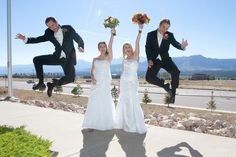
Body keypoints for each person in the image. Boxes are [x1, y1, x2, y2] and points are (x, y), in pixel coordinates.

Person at [16, 17, 84, 97]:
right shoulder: (48, 33)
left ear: (57, 22)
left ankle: (52, 85)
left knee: (70, 79)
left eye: (53, 25)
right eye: (50, 27)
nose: (52, 28)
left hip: (69, 59)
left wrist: (81, 46)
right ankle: (41, 83)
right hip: (57, 57)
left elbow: (78, 38)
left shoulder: (67, 28)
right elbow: (39, 39)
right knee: (37, 60)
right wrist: (25, 39)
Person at [145, 19, 188, 103]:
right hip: (155, 60)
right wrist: (149, 59)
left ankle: (173, 93)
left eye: (167, 28)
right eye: (163, 27)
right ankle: (165, 85)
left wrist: (182, 46)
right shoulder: (150, 34)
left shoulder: (169, 35)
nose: (165, 29)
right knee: (148, 78)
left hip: (165, 59)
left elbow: (176, 44)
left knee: (176, 71)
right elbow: (148, 48)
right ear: (159, 25)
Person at [115, 24, 147, 134]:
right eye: (125, 47)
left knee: (132, 100)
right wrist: (119, 86)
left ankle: (133, 124)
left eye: (128, 47)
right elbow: (122, 73)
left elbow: (137, 42)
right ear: (123, 50)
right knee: (124, 101)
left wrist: (139, 30)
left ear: (131, 48)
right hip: (124, 82)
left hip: (132, 82)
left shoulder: (136, 56)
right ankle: (123, 123)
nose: (127, 49)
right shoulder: (124, 59)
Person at [82, 29, 116, 131]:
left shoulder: (108, 57)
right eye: (100, 47)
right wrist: (92, 78)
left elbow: (111, 46)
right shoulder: (95, 59)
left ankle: (105, 122)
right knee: (94, 102)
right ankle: (92, 124)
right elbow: (92, 70)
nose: (102, 48)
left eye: (103, 46)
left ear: (106, 47)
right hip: (96, 82)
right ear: (98, 48)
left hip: (105, 82)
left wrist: (112, 35)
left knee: (104, 101)